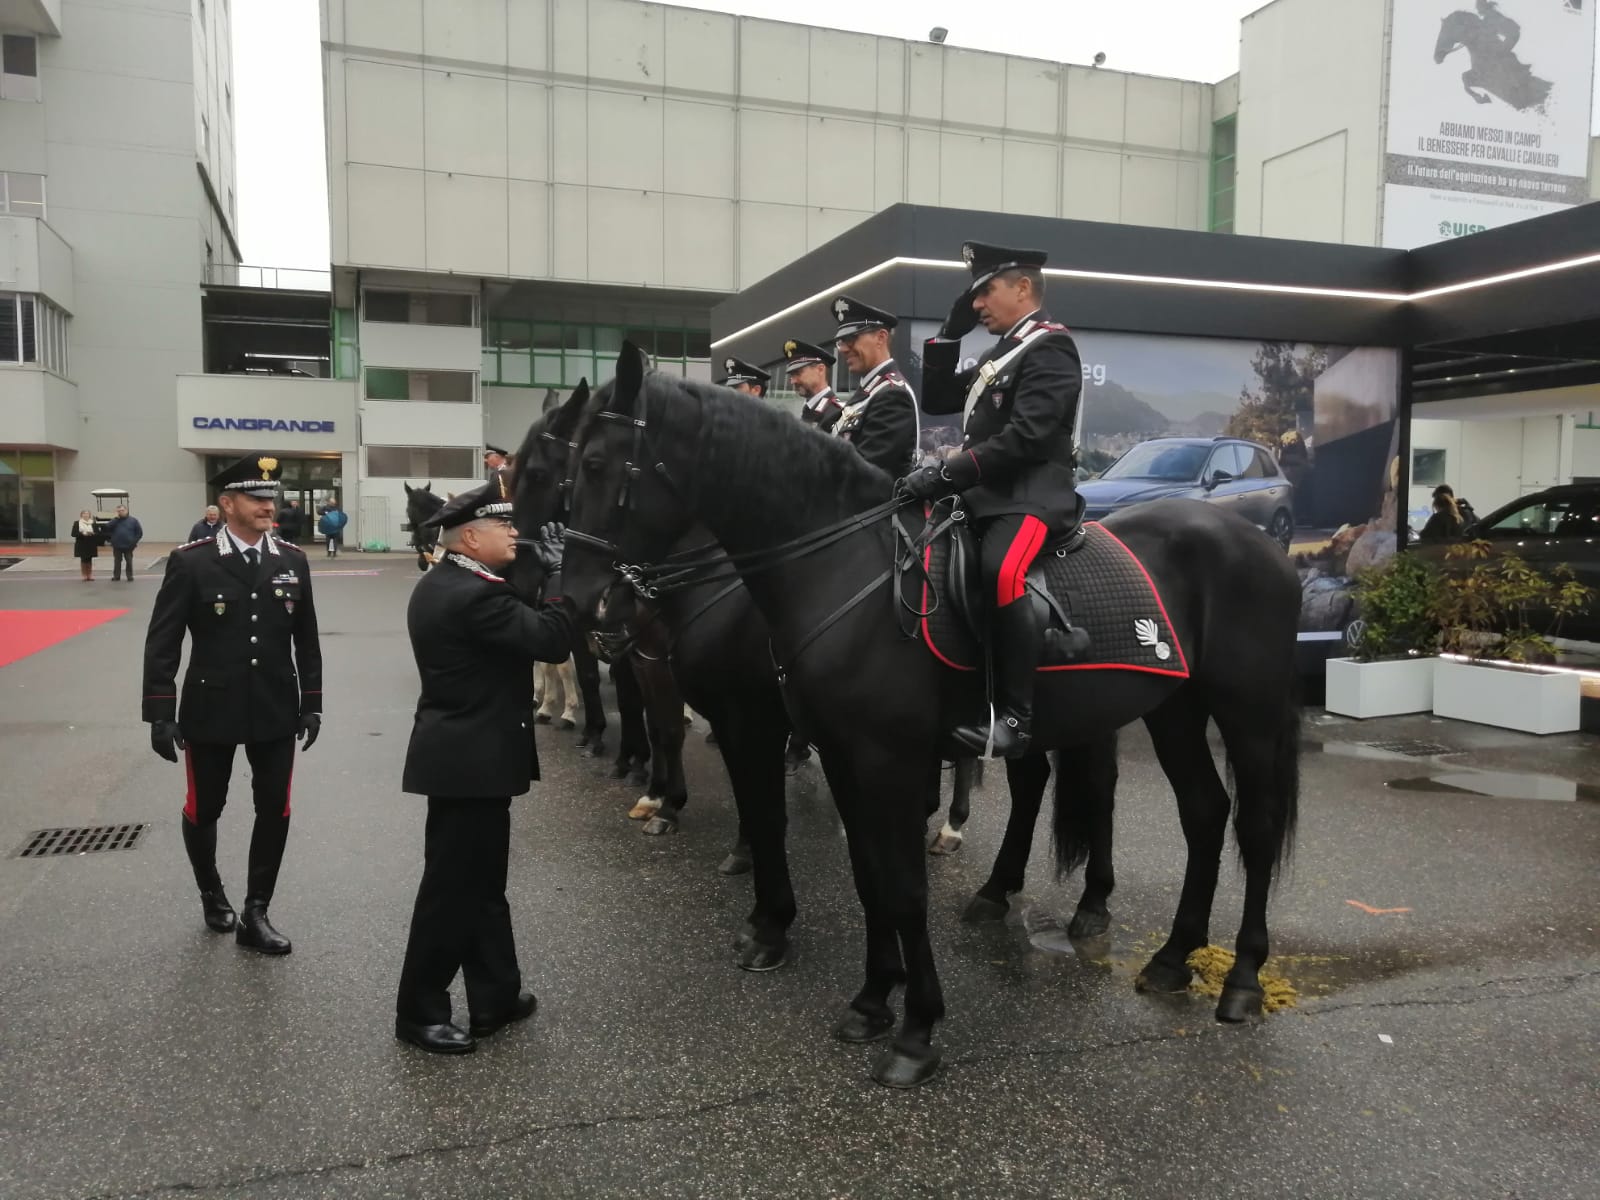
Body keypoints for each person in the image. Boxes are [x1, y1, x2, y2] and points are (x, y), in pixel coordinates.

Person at [394, 480, 574, 1055]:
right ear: (471, 538)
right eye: (506, 527)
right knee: (451, 893)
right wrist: (560, 576)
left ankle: (496, 996)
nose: (517, 534)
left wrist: (535, 572)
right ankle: (418, 1011)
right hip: (469, 765)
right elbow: (550, 639)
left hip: (467, 760)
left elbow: (513, 610)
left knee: (483, 888)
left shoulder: (453, 581)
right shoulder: (473, 595)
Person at [902, 242, 1084, 758]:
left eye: (984, 292)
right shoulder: (999, 353)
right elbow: (939, 400)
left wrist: (947, 472)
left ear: (1022, 288)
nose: (977, 304)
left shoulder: (1051, 346)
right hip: (985, 493)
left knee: (1002, 571)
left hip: (1031, 495)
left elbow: (1027, 438)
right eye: (973, 297)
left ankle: (1016, 719)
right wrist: (949, 335)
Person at [142, 453, 322, 954]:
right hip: (210, 707)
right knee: (205, 807)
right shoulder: (192, 561)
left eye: (271, 498)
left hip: (275, 706)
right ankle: (211, 892)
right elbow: (163, 642)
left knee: (274, 807)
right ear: (227, 503)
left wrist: (312, 703)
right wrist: (160, 713)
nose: (268, 506)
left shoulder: (292, 559)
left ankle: (256, 912)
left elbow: (306, 639)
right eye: (256, 498)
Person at [828, 296, 920, 478]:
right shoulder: (869, 392)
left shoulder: (892, 395)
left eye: (851, 338)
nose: (843, 349)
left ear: (881, 338)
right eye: (841, 342)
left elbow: (861, 472)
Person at [782, 338, 844, 430]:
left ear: (820, 370)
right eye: (792, 375)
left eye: (798, 373)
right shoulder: (806, 411)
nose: (793, 381)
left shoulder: (837, 413)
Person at [106, 504, 144, 582]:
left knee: (129, 561)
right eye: (119, 511)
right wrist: (111, 540)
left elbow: (139, 533)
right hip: (117, 545)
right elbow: (107, 528)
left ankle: (129, 576)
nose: (121, 512)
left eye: (122, 510)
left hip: (129, 546)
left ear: (126, 511)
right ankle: (116, 576)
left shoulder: (133, 521)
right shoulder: (114, 521)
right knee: (117, 562)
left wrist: (134, 542)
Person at [70, 510, 100, 581]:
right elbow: (73, 534)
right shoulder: (77, 523)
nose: (86, 515)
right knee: (83, 559)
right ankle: (84, 575)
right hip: (81, 544)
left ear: (89, 515)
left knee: (89, 560)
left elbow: (98, 533)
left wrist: (92, 533)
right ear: (81, 515)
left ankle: (89, 575)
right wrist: (82, 534)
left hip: (91, 544)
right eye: (84, 514)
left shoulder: (93, 523)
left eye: (87, 514)